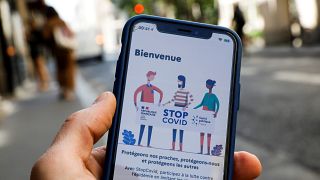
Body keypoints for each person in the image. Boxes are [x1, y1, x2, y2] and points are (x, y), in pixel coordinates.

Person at [30, 92, 262, 179]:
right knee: (148, 133)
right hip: (151, 113)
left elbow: (212, 103)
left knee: (205, 141)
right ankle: (150, 144)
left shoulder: (205, 96)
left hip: (200, 118)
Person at [43, 7, 76, 100]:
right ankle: (69, 91)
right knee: (69, 70)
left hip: (57, 52)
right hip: (67, 50)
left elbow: (45, 38)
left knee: (60, 70)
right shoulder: (61, 21)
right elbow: (70, 33)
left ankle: (63, 89)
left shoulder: (48, 24)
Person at [163, 75, 194, 151]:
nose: (178, 82)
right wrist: (165, 104)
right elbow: (172, 100)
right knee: (174, 128)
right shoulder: (177, 91)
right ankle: (173, 147)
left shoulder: (187, 91)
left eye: (179, 80)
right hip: (176, 109)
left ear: (182, 81)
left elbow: (192, 99)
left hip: (182, 110)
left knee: (181, 129)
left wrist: (186, 106)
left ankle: (180, 148)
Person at [134, 71, 163, 147]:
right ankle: (139, 143)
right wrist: (136, 104)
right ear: (148, 76)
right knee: (142, 126)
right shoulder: (143, 87)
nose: (153, 77)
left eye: (153, 76)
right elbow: (136, 93)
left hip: (151, 109)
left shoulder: (153, 87)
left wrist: (159, 102)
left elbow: (161, 92)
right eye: (152, 76)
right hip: (144, 108)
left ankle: (148, 144)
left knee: (150, 126)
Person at [194, 79, 220, 155]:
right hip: (203, 114)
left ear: (210, 85)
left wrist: (216, 113)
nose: (206, 85)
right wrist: (193, 109)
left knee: (209, 133)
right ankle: (201, 151)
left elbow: (218, 104)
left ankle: (208, 152)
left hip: (210, 115)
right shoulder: (206, 94)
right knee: (202, 133)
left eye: (207, 84)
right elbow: (201, 104)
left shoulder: (214, 96)